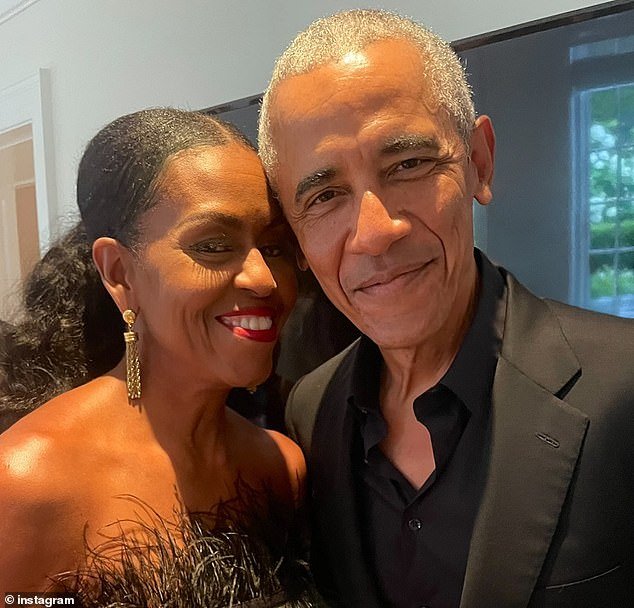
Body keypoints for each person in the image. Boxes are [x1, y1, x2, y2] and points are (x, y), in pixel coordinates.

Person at [258, 9, 634, 608]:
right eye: (325, 195)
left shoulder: (623, 385)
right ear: (296, 237)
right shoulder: (310, 411)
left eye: (408, 165)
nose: (374, 233)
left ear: (479, 162)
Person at [0, 108, 316, 606]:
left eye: (275, 247)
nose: (263, 280)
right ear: (120, 272)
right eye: (214, 245)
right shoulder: (25, 484)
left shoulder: (279, 469)